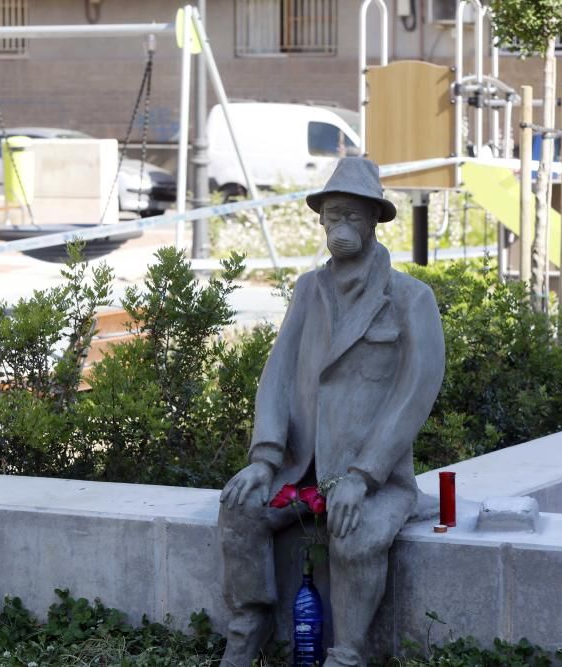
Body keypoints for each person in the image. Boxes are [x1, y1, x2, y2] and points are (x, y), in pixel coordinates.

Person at [217, 157, 445, 666]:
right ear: (321, 221)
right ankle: (249, 621)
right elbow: (276, 375)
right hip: (299, 468)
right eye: (333, 215)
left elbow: (416, 392)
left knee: (354, 536)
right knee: (239, 508)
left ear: (373, 222)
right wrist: (265, 456)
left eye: (353, 216)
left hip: (374, 476)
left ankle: (348, 653)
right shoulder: (308, 291)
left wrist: (364, 474)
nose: (341, 226)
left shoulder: (410, 299)